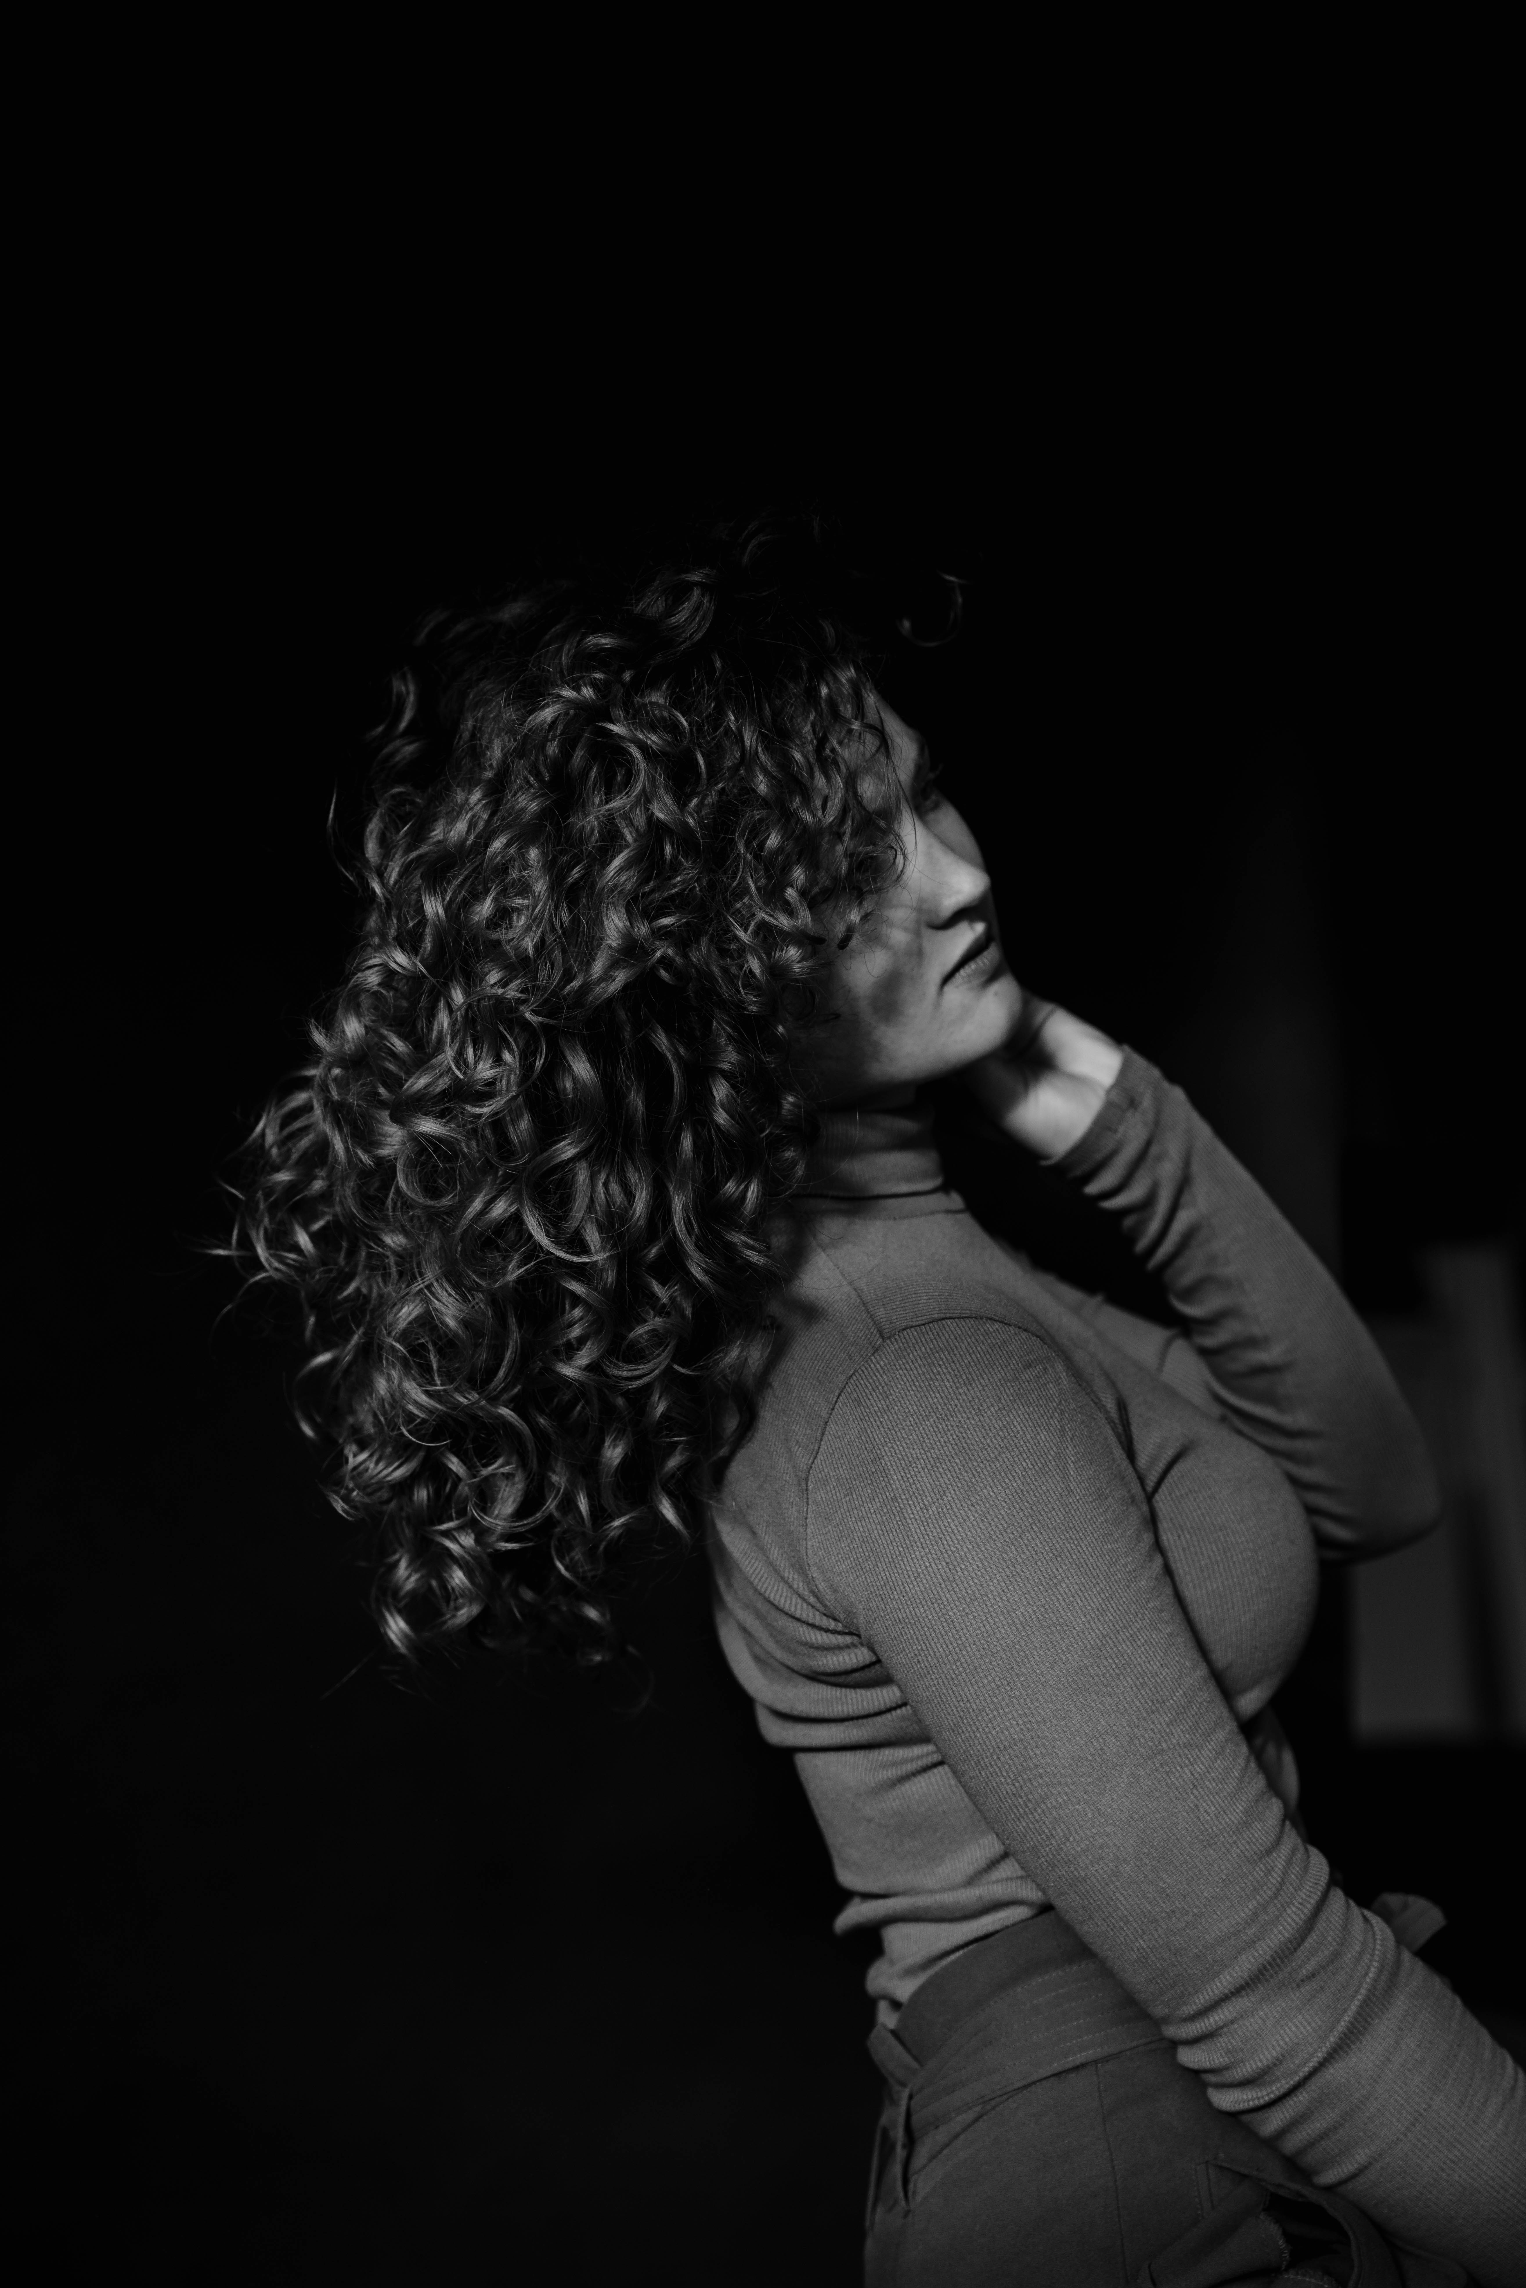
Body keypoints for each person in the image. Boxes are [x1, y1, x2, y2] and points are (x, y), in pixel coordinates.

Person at [231, 511, 1525, 2286]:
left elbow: (1372, 1491)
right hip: (1153, 2198)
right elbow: (1269, 1995)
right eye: (847, 868)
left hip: (1194, 2129)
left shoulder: (944, 1292)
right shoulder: (919, 1388)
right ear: (700, 968)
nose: (953, 876)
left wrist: (1105, 1110)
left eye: (926, 798)